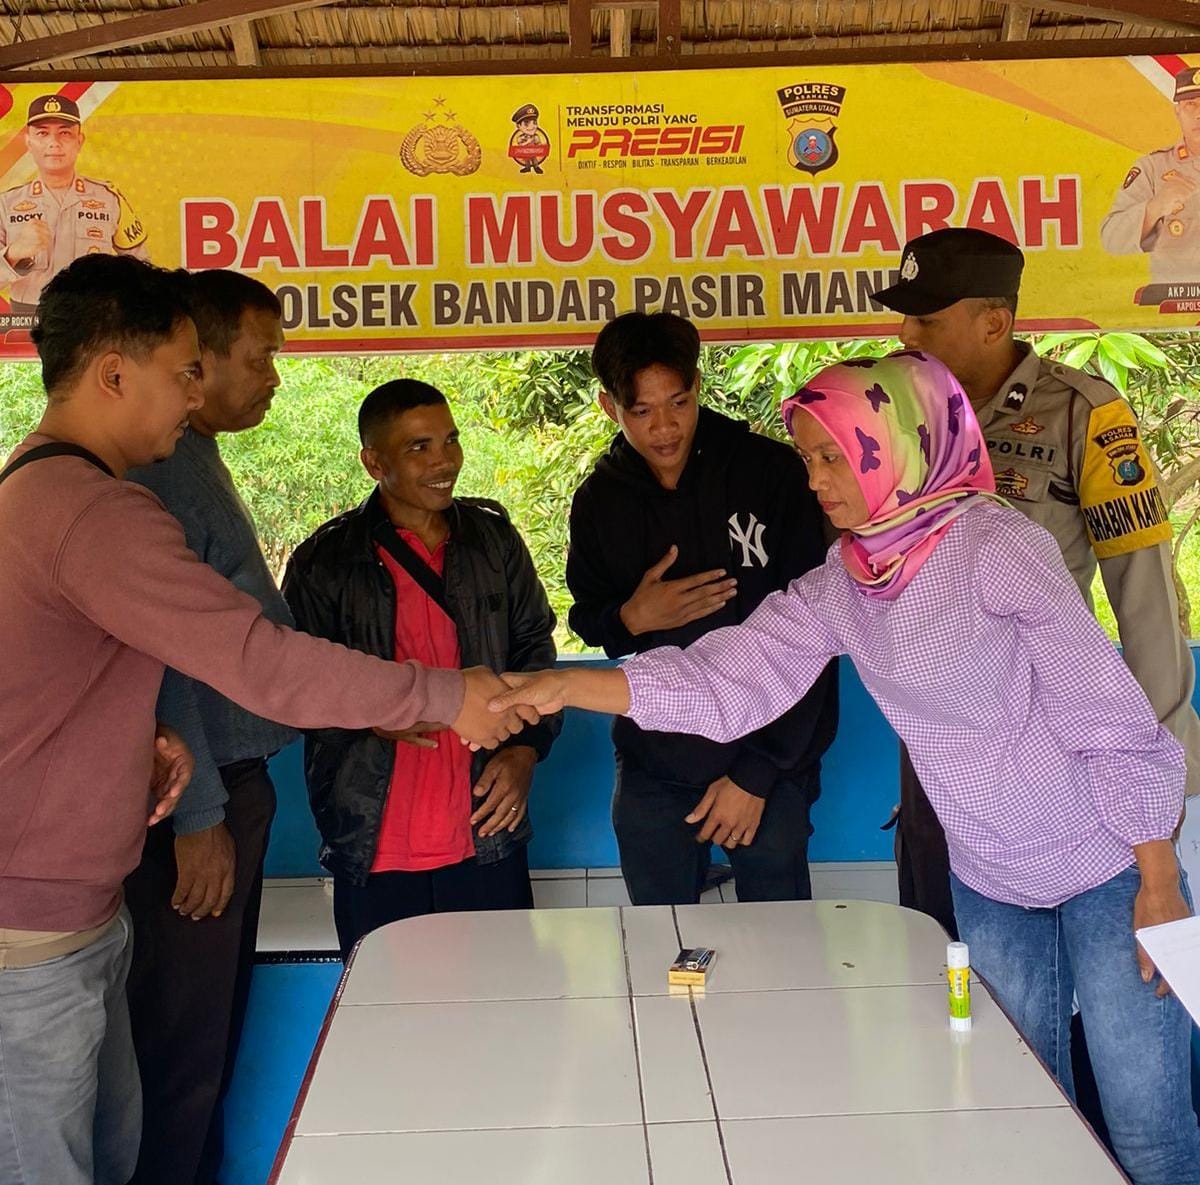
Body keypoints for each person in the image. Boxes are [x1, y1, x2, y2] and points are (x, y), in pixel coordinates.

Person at [494, 351, 1200, 1185]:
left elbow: (1104, 709)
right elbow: (729, 678)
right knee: (1022, 1110)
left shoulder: (998, 545)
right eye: (808, 458)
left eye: (833, 456)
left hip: (1111, 863)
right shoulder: (848, 579)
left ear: (896, 446)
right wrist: (563, 684)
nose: (815, 480)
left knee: (1149, 1130)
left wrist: (1159, 875)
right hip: (990, 872)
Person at [0, 254, 531, 1185]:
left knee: (115, 1146)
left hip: (74, 913)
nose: (193, 393)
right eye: (182, 372)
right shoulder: (97, 511)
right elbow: (259, 659)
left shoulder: (43, 490)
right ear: (114, 374)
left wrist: (138, 737)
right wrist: (448, 695)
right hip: (33, 936)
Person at [870, 226, 1200, 937]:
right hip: (938, 745)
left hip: (1056, 740)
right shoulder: (891, 408)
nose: (905, 333)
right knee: (938, 949)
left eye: (927, 318)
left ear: (994, 323)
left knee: (1082, 963)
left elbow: (1143, 600)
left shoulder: (1082, 413)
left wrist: (1163, 774)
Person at [283, 379, 561, 960]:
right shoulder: (326, 561)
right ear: (374, 463)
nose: (444, 461)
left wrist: (525, 752)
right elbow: (294, 687)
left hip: (486, 831)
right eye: (419, 448)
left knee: (505, 1000)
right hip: (374, 843)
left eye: (450, 440)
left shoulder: (493, 541)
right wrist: (374, 715)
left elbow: (535, 650)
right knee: (383, 1009)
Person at [566, 311, 837, 906]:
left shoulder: (771, 473)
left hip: (768, 759)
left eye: (679, 403)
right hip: (655, 760)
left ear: (698, 387)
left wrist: (757, 775)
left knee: (780, 941)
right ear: (611, 407)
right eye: (642, 410)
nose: (664, 427)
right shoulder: (600, 501)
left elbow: (819, 630)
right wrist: (632, 618)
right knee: (660, 936)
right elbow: (588, 620)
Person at [121, 270, 291, 1185]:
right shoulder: (162, 467)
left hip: (229, 786)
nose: (274, 377)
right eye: (259, 358)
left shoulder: (196, 458)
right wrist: (199, 818)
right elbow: (164, 649)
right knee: (182, 1048)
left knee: (209, 1037)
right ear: (199, 362)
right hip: (203, 796)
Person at [0, 94, 147, 320]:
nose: (54, 143)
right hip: (28, 320)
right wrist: (13, 254)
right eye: (42, 133)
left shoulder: (109, 199)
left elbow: (141, 268)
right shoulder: (6, 204)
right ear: (28, 141)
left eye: (65, 133)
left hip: (93, 318)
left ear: (79, 140)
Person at [1101, 66, 1200, 284]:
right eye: (1190, 104)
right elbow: (1111, 239)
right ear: (1178, 112)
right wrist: (1155, 207)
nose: (1199, 114)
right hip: (1173, 299)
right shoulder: (1153, 167)